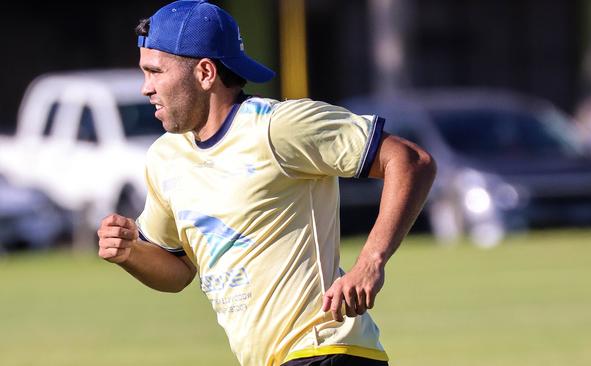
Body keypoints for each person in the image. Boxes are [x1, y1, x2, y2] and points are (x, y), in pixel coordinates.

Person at [97, 1, 435, 365]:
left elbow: (410, 161)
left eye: (155, 72)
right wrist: (130, 253)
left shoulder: (277, 127)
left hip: (326, 348)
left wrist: (370, 261)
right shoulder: (165, 158)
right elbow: (177, 271)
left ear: (206, 73)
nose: (146, 88)